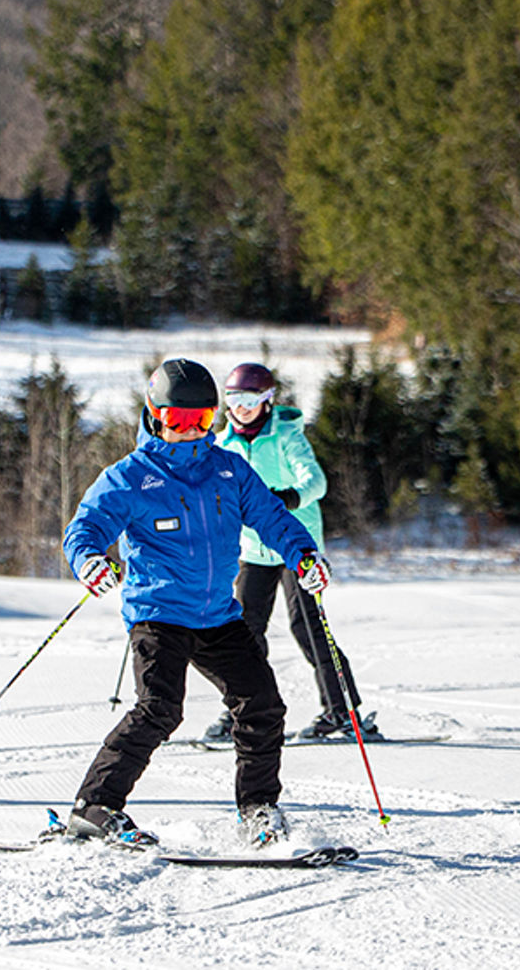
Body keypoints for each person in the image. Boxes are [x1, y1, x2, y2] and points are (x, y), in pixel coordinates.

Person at [61, 358, 330, 848]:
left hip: (216, 615)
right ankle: (96, 806)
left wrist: (303, 555)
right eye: (178, 421)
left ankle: (258, 809)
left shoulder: (228, 469)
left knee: (262, 705)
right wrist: (89, 561)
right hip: (158, 612)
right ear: (153, 414)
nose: (189, 432)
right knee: (160, 708)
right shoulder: (130, 476)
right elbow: (85, 529)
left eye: (201, 421)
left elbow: (272, 518)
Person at [203, 361, 381, 744]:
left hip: (295, 543)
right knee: (243, 630)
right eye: (234, 399)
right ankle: (241, 709)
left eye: (251, 399)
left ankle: (344, 713)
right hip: (253, 549)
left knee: (307, 627)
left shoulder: (285, 436)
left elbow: (316, 481)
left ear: (267, 400)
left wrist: (288, 498)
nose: (242, 407)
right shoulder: (222, 444)